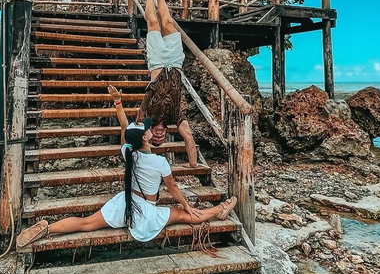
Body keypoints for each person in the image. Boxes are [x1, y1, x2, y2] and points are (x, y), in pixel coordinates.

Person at [15, 85, 237, 247]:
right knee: (182, 215)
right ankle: (219, 210)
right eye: (148, 129)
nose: (151, 129)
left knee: (86, 223)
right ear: (145, 139)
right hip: (145, 211)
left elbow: (125, 127)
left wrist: (118, 103)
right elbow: (173, 189)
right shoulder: (159, 161)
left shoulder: (128, 151)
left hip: (125, 203)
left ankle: (47, 229)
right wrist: (186, 204)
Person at [135, 0, 197, 168]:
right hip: (176, 63)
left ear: (150, 133)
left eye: (156, 137)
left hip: (159, 61)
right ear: (167, 134)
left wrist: (145, 145)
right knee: (169, 22)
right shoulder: (175, 118)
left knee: (153, 22)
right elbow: (188, 137)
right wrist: (193, 165)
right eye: (161, 138)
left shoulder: (147, 117)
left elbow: (136, 135)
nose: (159, 136)